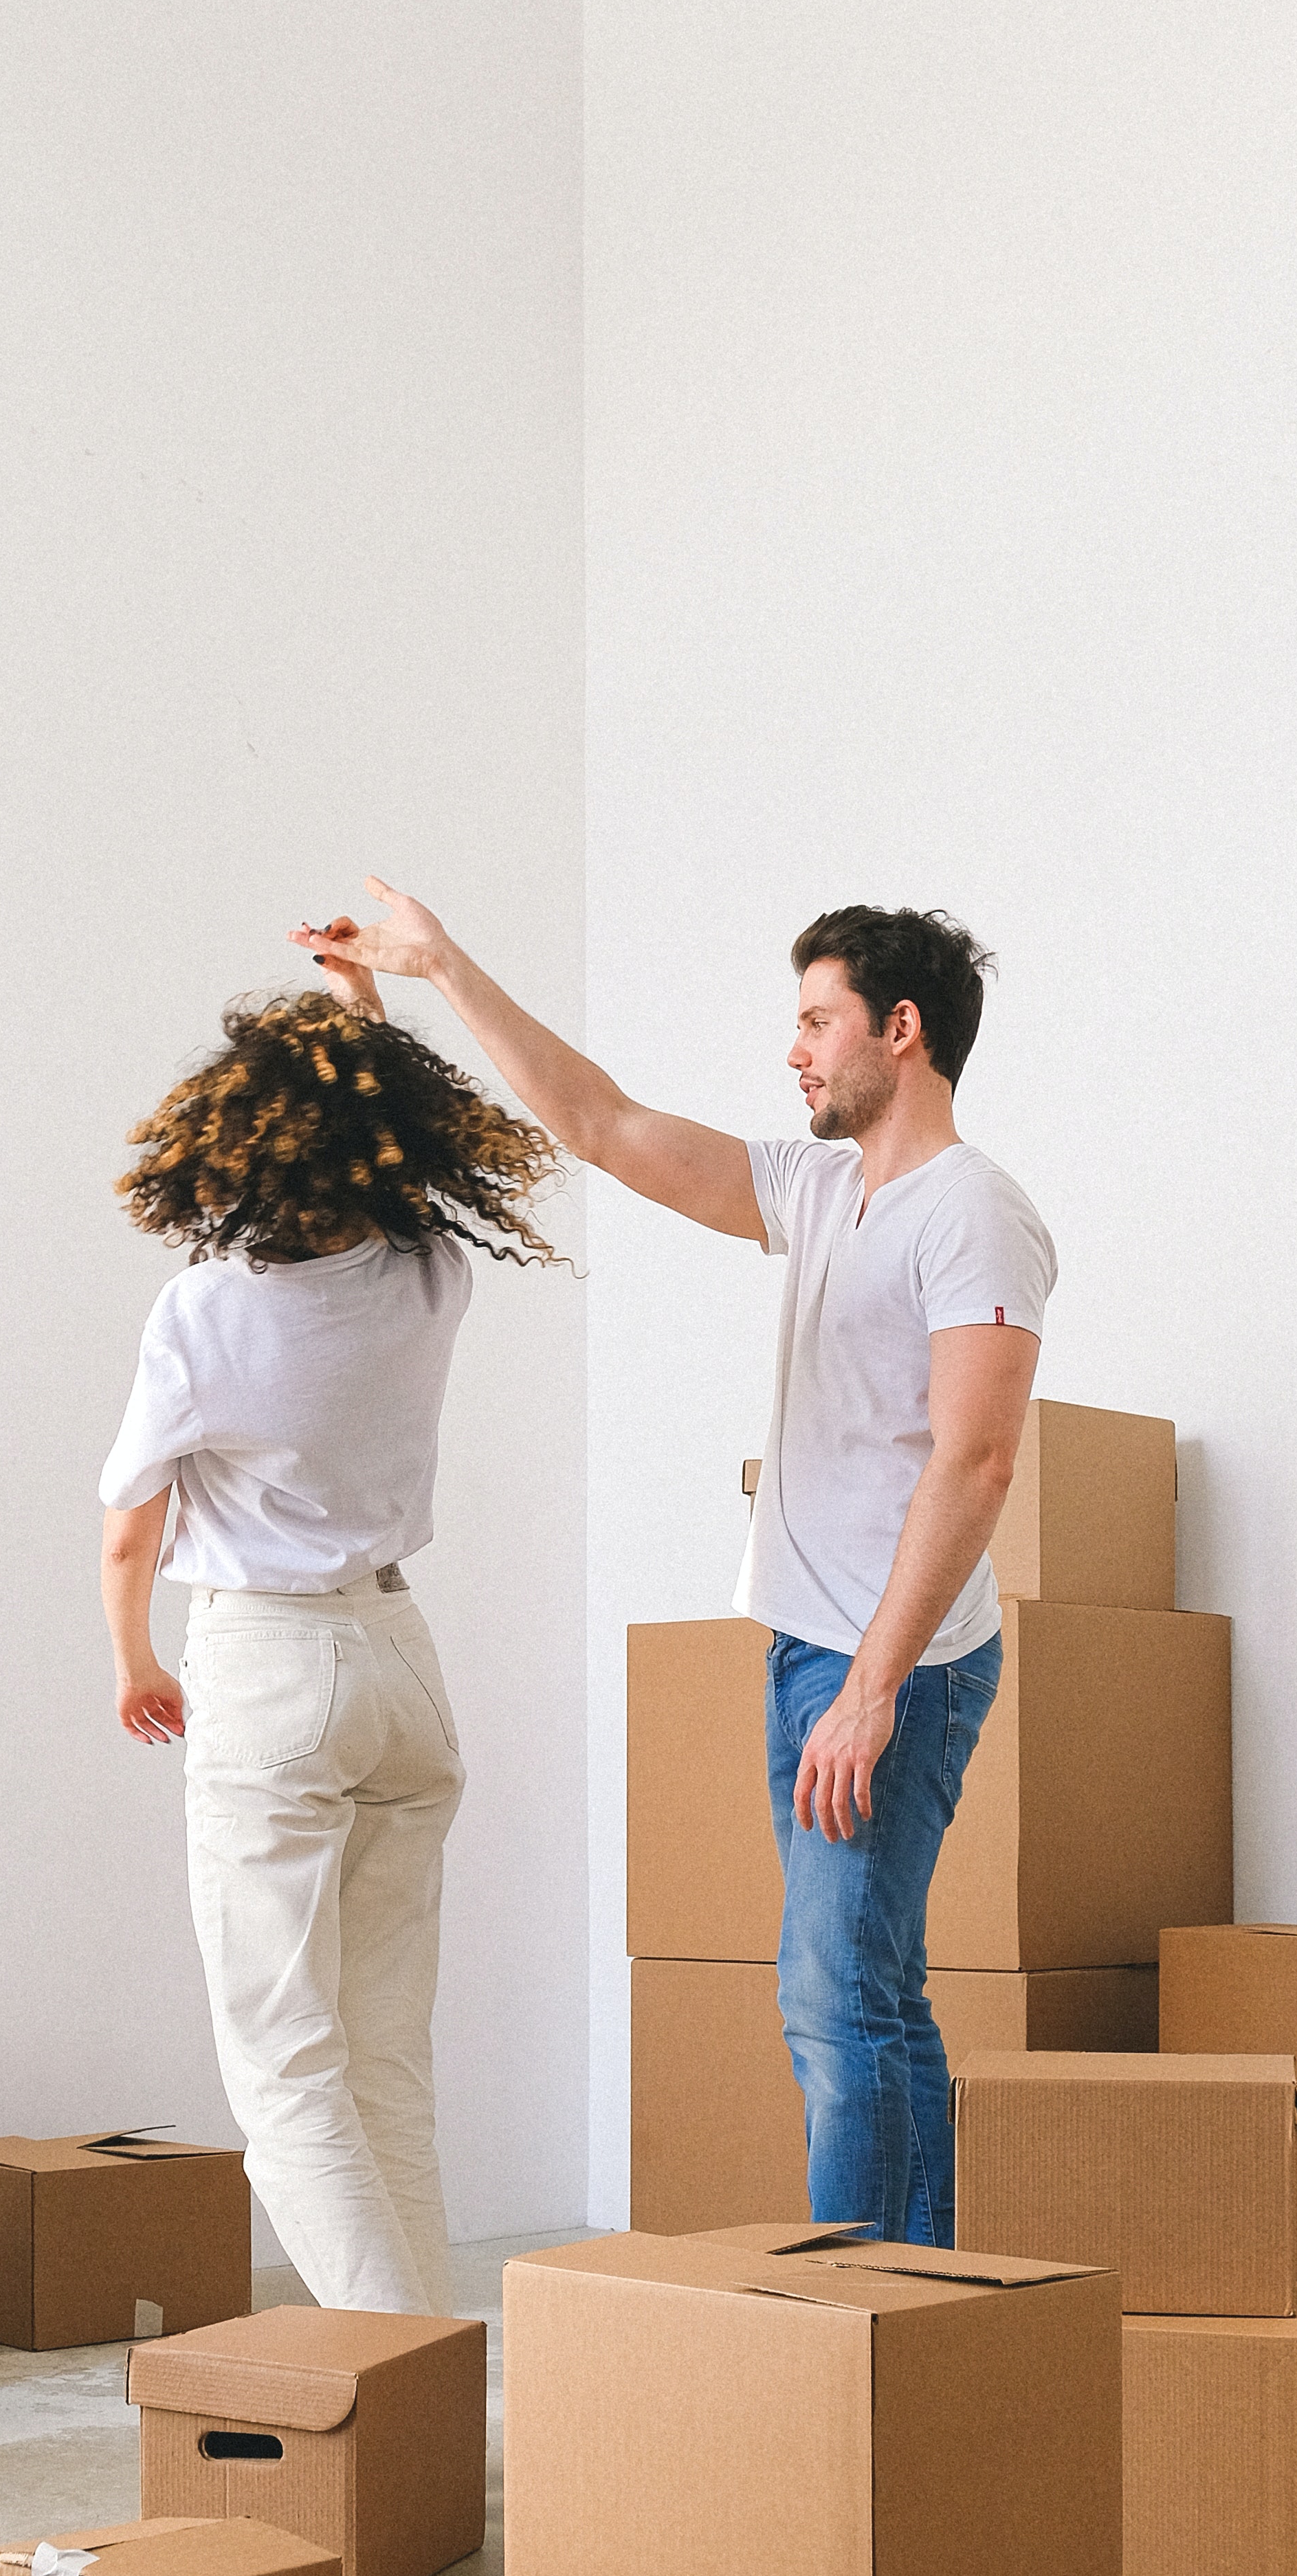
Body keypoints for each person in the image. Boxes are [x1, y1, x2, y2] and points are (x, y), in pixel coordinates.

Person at [295, 882, 1051, 2247]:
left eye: (818, 1021)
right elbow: (599, 1123)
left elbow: (977, 1462)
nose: (795, 1049)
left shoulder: (974, 1215)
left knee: (841, 2010)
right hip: (813, 1648)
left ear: (902, 1029)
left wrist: (871, 1688)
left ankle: (862, 2322)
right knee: (866, 2000)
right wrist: (439, 969)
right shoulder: (823, 1188)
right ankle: (927, 2306)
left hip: (893, 1667)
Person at [98, 975, 562, 2316]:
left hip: (268, 1670)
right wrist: (362, 1010)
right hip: (402, 1664)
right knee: (381, 2061)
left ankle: (402, 2369)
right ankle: (440, 2363)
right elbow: (397, 1171)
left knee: (286, 2068)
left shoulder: (207, 1313)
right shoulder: (432, 1272)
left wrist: (133, 1659)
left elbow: (128, 1525)